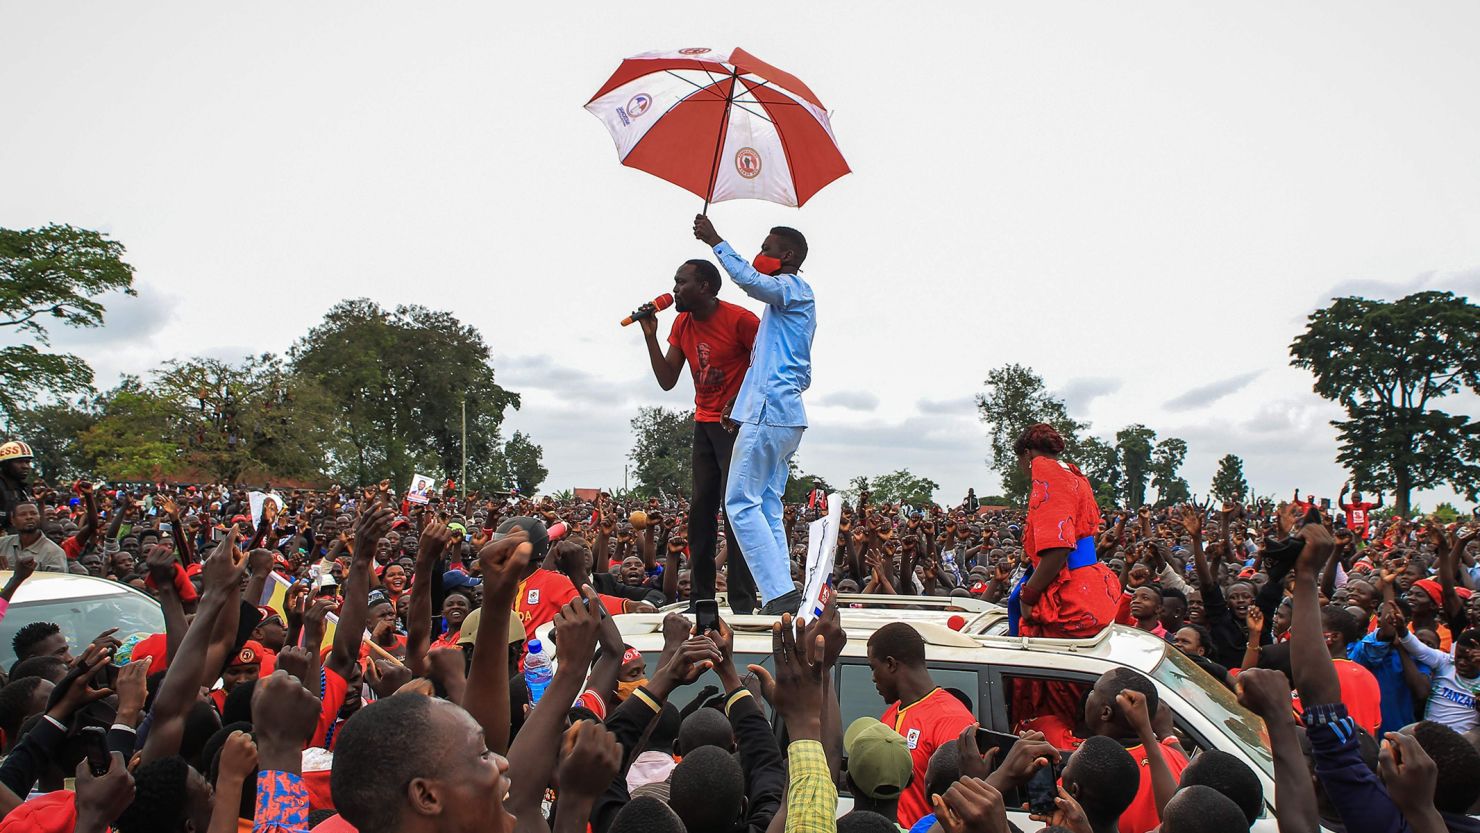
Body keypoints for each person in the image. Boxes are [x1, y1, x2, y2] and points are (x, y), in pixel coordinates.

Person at [693, 213, 815, 615]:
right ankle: (783, 592)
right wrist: (738, 404)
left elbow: (751, 282)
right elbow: (764, 366)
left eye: (767, 249)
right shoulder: (783, 308)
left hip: (771, 413)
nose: (761, 254)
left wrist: (716, 241)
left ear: (789, 255)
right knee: (765, 505)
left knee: (740, 504)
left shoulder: (793, 288)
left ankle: (778, 592)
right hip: (778, 414)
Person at [636, 262, 759, 613]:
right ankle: (701, 598)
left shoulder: (741, 320)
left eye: (681, 282)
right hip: (704, 422)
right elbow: (667, 379)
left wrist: (740, 400)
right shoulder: (682, 322)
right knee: (701, 511)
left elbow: (766, 364)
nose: (674, 289)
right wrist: (650, 335)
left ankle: (742, 602)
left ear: (704, 286)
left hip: (735, 424)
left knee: (734, 510)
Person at [867, 621, 975, 828]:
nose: (872, 678)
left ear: (890, 664)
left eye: (874, 668)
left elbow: (959, 809)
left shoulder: (952, 719)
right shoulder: (891, 714)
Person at [0, 502, 69, 572]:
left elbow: (56, 581)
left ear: (40, 517)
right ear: (13, 520)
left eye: (33, 513)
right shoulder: (2, 544)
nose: (29, 517)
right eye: (23, 514)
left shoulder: (54, 552)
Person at [0, 441, 34, 531]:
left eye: (28, 462)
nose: (25, 466)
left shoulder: (23, 488)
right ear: (6, 464)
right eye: (20, 462)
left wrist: (40, 502)